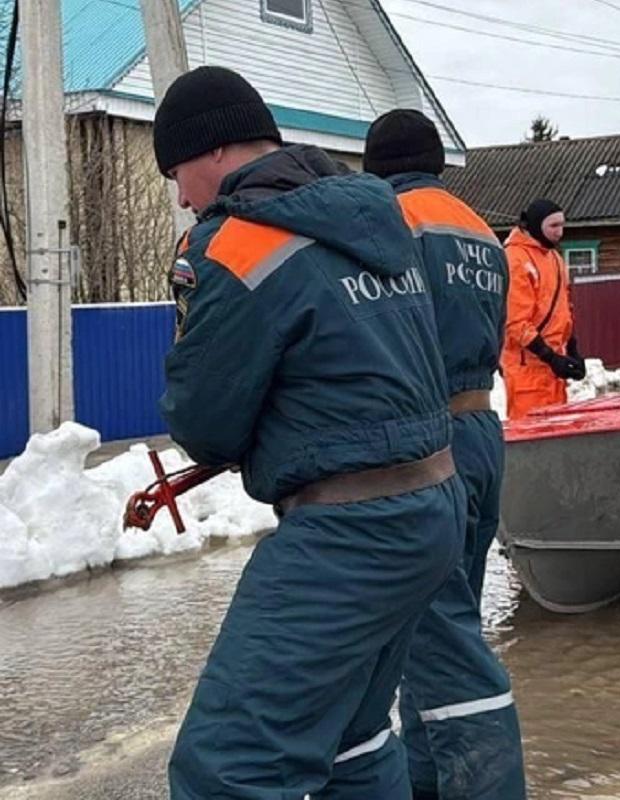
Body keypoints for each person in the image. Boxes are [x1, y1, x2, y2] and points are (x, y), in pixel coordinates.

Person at [155, 67, 465, 799]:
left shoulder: (235, 244)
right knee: (354, 742)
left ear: (214, 152)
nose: (179, 195)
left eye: (176, 172)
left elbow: (206, 421)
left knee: (225, 768)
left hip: (349, 530)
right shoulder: (372, 221)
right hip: (433, 503)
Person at [364, 108, 525, 800]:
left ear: (376, 165)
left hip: (424, 442)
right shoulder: (482, 233)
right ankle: (424, 786)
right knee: (435, 629)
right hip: (482, 429)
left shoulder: (388, 220)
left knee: (439, 641)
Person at [501, 199, 585, 420]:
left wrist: (573, 349)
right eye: (554, 226)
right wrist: (550, 357)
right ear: (537, 225)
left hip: (553, 369)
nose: (560, 232)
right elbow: (516, 323)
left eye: (562, 225)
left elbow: (564, 309)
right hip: (526, 368)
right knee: (531, 437)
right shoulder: (515, 259)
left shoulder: (555, 258)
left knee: (556, 435)